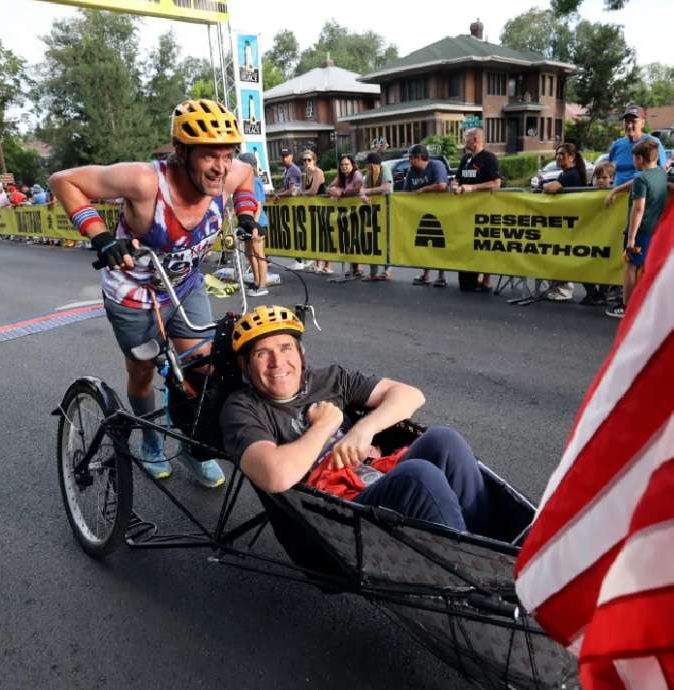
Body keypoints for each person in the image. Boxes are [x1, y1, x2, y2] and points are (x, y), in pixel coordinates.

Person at [48, 98, 260, 486]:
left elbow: (248, 178)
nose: (221, 166)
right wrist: (99, 237)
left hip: (184, 284)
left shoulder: (228, 175)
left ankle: (197, 447)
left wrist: (247, 214)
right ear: (181, 153)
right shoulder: (145, 181)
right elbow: (63, 180)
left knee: (206, 369)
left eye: (227, 154)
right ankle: (150, 441)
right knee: (143, 372)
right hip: (134, 292)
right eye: (209, 156)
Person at [220, 306, 492, 533]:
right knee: (419, 476)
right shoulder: (242, 409)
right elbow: (275, 476)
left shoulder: (329, 379)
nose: (277, 362)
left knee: (444, 439)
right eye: (261, 353)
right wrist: (326, 424)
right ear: (245, 365)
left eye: (285, 348)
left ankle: (492, 544)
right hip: (334, 511)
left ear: (300, 354)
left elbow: (410, 395)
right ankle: (471, 567)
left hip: (372, 473)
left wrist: (363, 430)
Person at [603, 138, 667, 318]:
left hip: (640, 231)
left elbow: (638, 209)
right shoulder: (660, 173)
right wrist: (616, 190)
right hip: (655, 229)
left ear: (639, 158)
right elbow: (635, 184)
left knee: (630, 268)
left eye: (633, 158)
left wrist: (631, 237)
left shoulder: (641, 179)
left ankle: (627, 307)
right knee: (646, 268)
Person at [451, 128, 501, 292]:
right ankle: (473, 279)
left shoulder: (489, 158)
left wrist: (472, 188)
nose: (463, 141)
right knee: (467, 244)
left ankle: (485, 279)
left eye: (465, 138)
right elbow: (458, 178)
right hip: (465, 211)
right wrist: (455, 185)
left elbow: (496, 183)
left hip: (483, 210)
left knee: (483, 244)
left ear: (474, 139)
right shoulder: (466, 158)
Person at [540, 143, 589, 301]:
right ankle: (559, 287)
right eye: (557, 153)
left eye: (562, 154)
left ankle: (563, 289)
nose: (558, 156)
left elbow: (553, 187)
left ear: (571, 157)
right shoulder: (567, 173)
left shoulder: (570, 174)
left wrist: (542, 185)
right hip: (565, 221)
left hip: (569, 222)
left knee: (563, 256)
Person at [403, 144, 451, 288]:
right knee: (424, 243)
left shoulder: (436, 165)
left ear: (418, 157)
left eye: (411, 158)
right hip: (421, 214)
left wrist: (423, 190)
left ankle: (441, 276)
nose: (409, 161)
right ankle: (426, 274)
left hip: (440, 212)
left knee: (438, 244)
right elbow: (406, 192)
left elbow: (442, 185)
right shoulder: (411, 171)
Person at [607, 106, 667, 187]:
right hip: (617, 196)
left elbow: (661, 173)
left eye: (633, 122)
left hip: (642, 195)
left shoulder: (652, 143)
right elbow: (609, 172)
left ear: (642, 123)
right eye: (627, 122)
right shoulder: (616, 145)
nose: (629, 126)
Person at [236, 151, 270, 297]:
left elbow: (258, 205)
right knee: (250, 254)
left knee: (259, 254)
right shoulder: (243, 182)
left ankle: (262, 285)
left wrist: (254, 226)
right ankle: (257, 282)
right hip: (248, 222)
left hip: (257, 222)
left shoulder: (254, 181)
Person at [326, 154, 363, 277]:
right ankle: (354, 268)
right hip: (347, 212)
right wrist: (334, 191)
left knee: (356, 238)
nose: (344, 167)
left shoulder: (356, 174)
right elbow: (329, 188)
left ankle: (358, 268)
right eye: (342, 164)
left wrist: (342, 192)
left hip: (359, 210)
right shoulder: (341, 177)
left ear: (352, 165)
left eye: (347, 164)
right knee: (349, 239)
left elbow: (358, 188)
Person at [358, 151, 393, 281]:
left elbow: (386, 187)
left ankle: (387, 270)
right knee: (373, 241)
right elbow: (362, 189)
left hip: (387, 209)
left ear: (373, 164)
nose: (367, 168)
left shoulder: (385, 170)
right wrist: (363, 195)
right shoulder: (368, 175)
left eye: (368, 165)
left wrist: (368, 191)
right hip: (374, 211)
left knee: (386, 241)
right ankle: (373, 272)